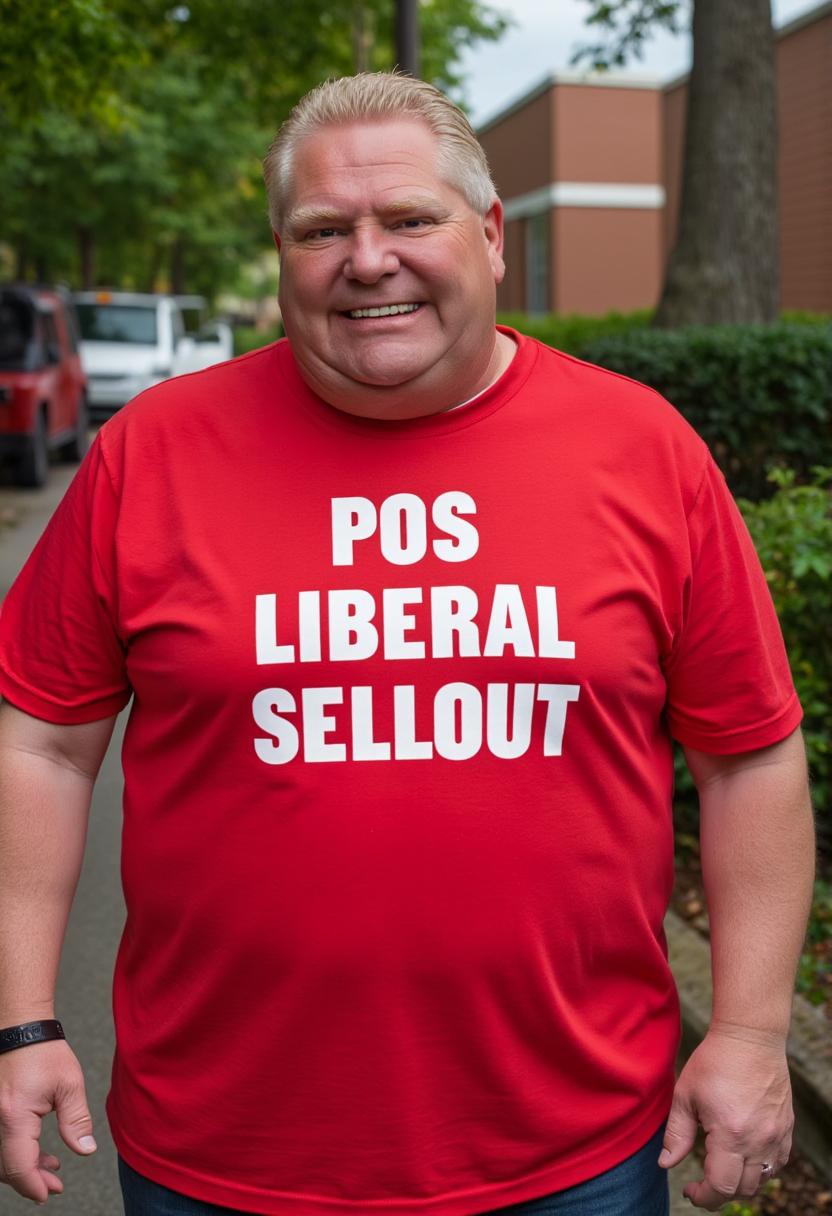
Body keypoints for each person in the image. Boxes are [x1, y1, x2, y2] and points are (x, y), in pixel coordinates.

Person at [0, 72, 815, 1216]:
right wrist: (21, 1018)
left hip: (570, 1154)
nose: (365, 258)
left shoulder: (641, 451)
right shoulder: (152, 455)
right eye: (321, 228)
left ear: (487, 235)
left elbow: (749, 753)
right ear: (281, 251)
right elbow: (40, 743)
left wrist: (747, 1028)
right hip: (221, 1155)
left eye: (408, 219)